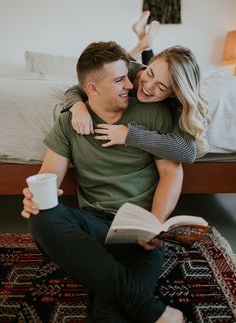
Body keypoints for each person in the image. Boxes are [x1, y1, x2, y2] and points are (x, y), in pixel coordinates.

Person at [22, 41, 184, 323]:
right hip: (93, 225)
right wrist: (35, 198)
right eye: (120, 80)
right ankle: (150, 309)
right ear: (93, 89)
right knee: (41, 217)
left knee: (109, 308)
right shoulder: (67, 122)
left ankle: (110, 280)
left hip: (139, 228)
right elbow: (49, 174)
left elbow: (172, 172)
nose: (133, 86)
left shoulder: (154, 113)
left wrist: (154, 225)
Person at [63, 11, 209, 163]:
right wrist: (78, 107)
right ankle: (144, 44)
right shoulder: (132, 72)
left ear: (173, 93)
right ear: (149, 65)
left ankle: (144, 40)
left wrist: (129, 135)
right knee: (125, 61)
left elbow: (186, 151)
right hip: (137, 67)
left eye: (162, 87)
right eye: (150, 73)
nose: (149, 87)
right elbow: (77, 89)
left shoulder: (177, 101)